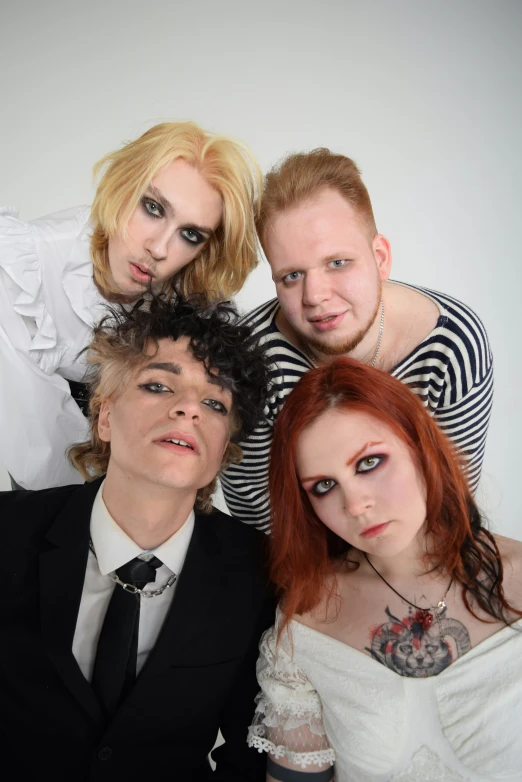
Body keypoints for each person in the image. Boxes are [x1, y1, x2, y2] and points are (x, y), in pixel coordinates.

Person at [0, 293, 274, 781]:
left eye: (214, 401)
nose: (189, 408)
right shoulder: (7, 531)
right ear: (104, 417)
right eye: (158, 386)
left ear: (222, 452)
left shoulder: (258, 572)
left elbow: (250, 751)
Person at [247, 358, 522, 782]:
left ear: (418, 444)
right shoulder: (309, 618)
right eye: (324, 486)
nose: (355, 505)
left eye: (369, 463)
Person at [221, 149, 493, 531]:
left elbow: (451, 498)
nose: (314, 296)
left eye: (337, 263)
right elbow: (261, 522)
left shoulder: (451, 344)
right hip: (305, 563)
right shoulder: (248, 357)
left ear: (380, 257)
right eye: (291, 276)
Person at [0, 120, 262, 489]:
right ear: (123, 186)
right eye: (153, 208)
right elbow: (35, 449)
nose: (158, 248)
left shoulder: (193, 292)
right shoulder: (21, 272)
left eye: (190, 235)